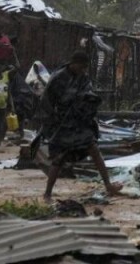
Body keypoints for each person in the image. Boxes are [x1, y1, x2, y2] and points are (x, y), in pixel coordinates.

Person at [37, 51, 122, 203]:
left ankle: (108, 185)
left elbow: (88, 96)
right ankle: (47, 193)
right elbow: (46, 100)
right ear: (73, 63)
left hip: (79, 122)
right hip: (62, 124)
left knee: (94, 150)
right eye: (81, 67)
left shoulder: (83, 78)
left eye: (85, 68)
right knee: (59, 158)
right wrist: (52, 120)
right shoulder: (59, 77)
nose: (83, 70)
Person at [0, 64, 12, 145]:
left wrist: (14, 54)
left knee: (3, 124)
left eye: (0, 67)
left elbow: (9, 93)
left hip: (4, 105)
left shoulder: (6, 76)